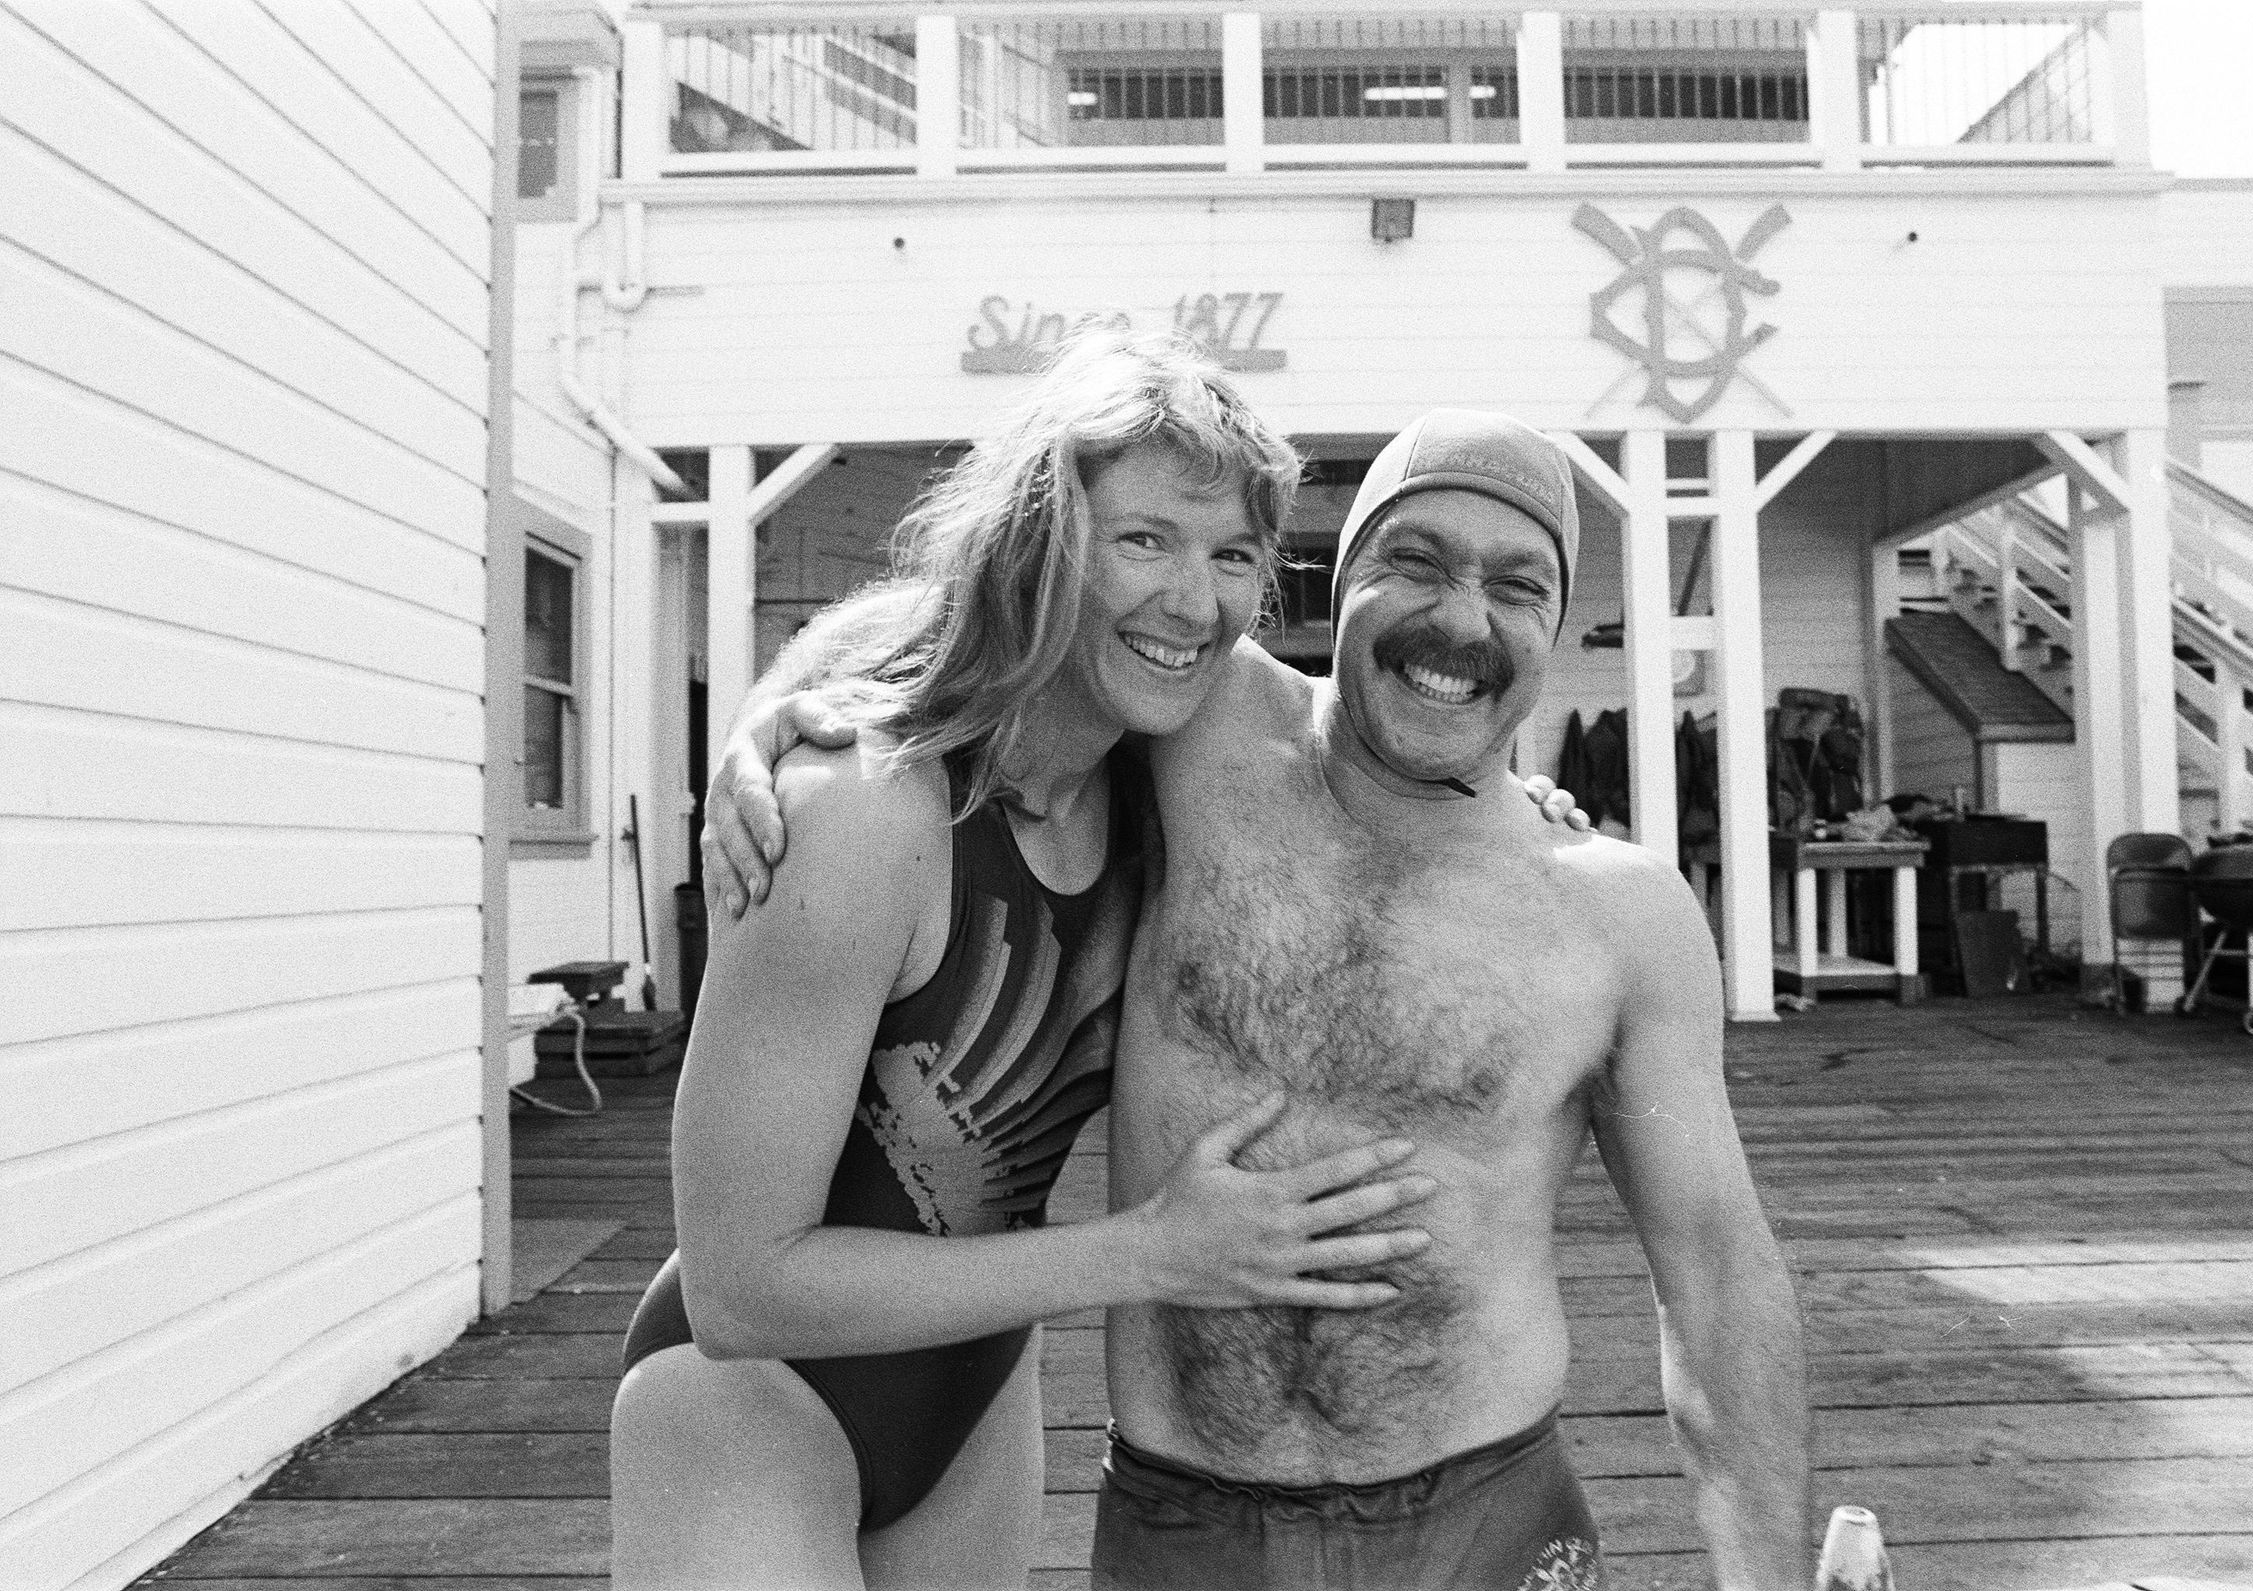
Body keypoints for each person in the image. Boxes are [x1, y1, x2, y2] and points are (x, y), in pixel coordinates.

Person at [712, 411, 1808, 1589]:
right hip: (1187, 1529)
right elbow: (984, 611)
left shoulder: (1619, 913)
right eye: (1416, 563)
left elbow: (1716, 1273)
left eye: (1517, 585)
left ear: (1552, 624)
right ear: (1343, 583)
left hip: (1485, 1524)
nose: (1461, 620)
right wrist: (775, 721)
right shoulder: (1205, 731)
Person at [609, 333, 1450, 1591]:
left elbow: (1345, 738)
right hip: (745, 1401)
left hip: (975, 1396)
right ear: (1039, 543)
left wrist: (1519, 808)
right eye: (1146, 539)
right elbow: (740, 1285)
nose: (1197, 602)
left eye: (1233, 555)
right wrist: (1152, 1250)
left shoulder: (1164, 775)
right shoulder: (867, 819)